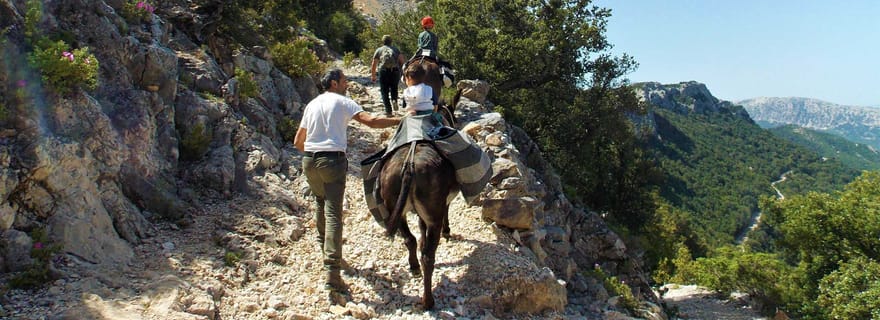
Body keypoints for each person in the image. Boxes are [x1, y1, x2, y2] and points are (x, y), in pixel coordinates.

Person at [294, 68, 400, 298]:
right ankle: (333, 274)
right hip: (332, 160)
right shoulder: (342, 102)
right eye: (343, 80)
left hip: (309, 160)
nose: (347, 84)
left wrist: (313, 153)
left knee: (320, 205)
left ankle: (328, 254)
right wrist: (399, 120)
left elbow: (298, 141)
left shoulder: (312, 104)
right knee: (334, 213)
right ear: (333, 83)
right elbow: (370, 121)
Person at [371, 35, 406, 116]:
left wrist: (373, 75)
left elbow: (374, 63)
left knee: (384, 91)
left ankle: (388, 111)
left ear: (383, 41)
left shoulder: (379, 50)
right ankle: (394, 100)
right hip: (395, 71)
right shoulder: (395, 49)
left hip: (383, 71)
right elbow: (402, 61)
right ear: (391, 41)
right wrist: (403, 72)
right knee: (394, 88)